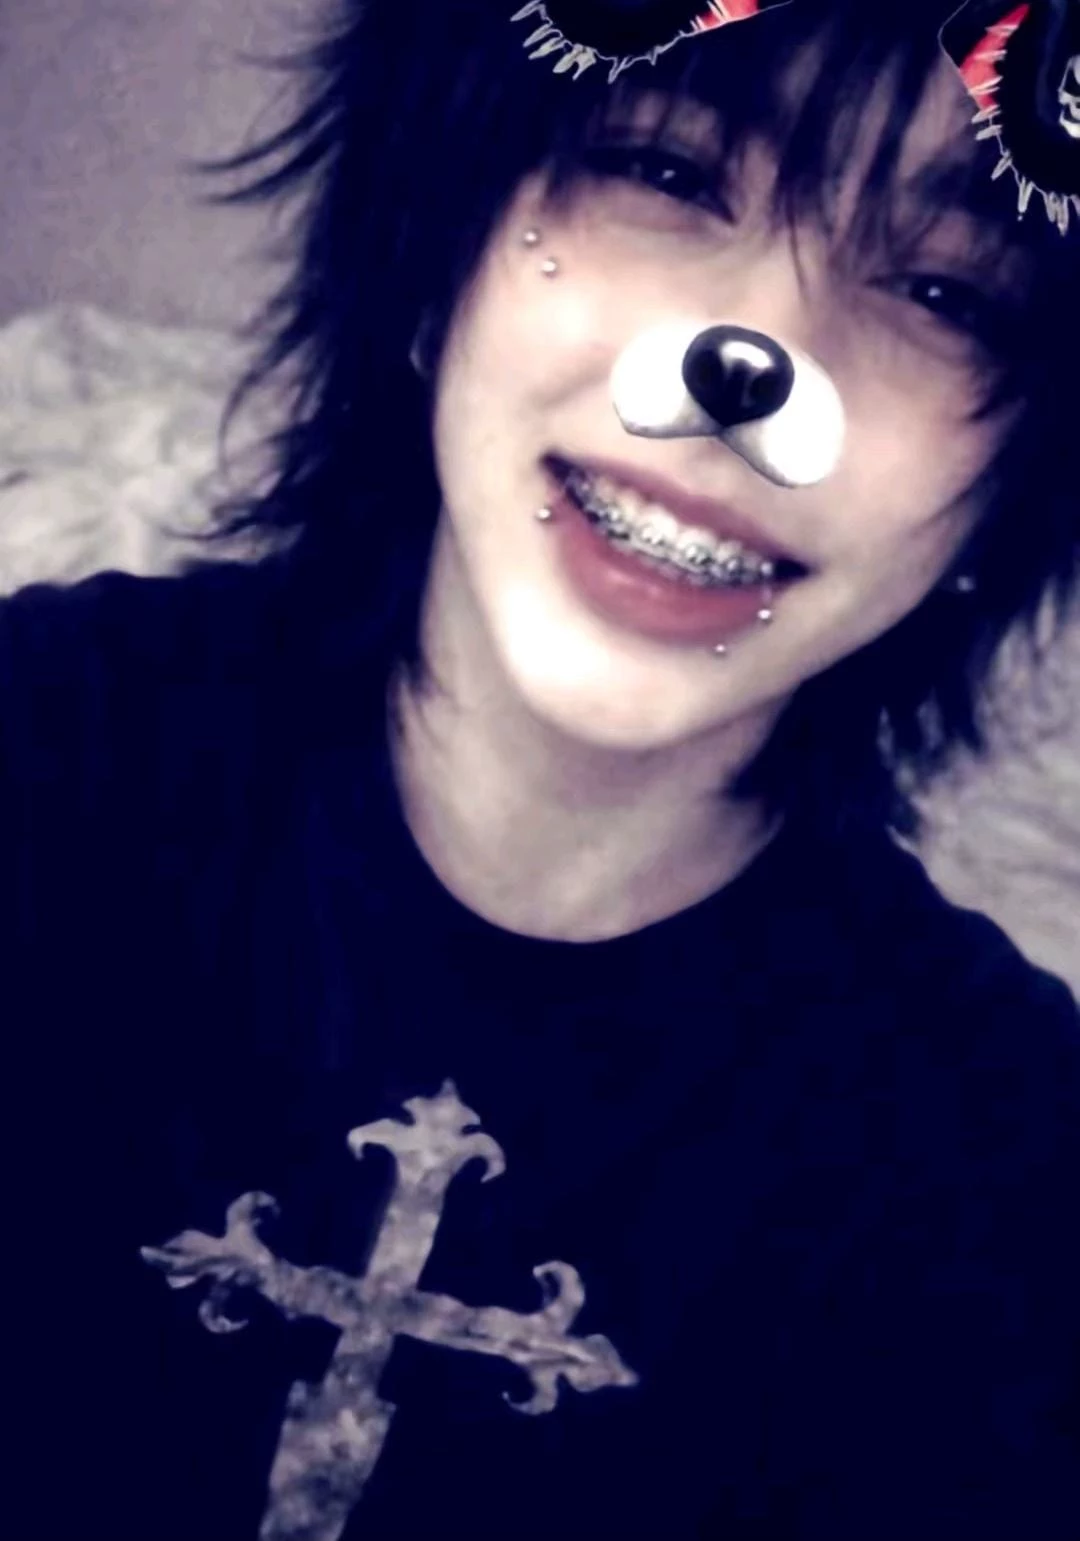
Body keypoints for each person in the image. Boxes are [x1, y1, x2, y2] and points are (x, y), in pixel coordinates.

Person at [4, 0, 1080, 1536]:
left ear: (1002, 500)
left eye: (944, 290)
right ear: (434, 240)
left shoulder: (1003, 1174)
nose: (758, 366)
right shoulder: (44, 756)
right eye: (666, 172)